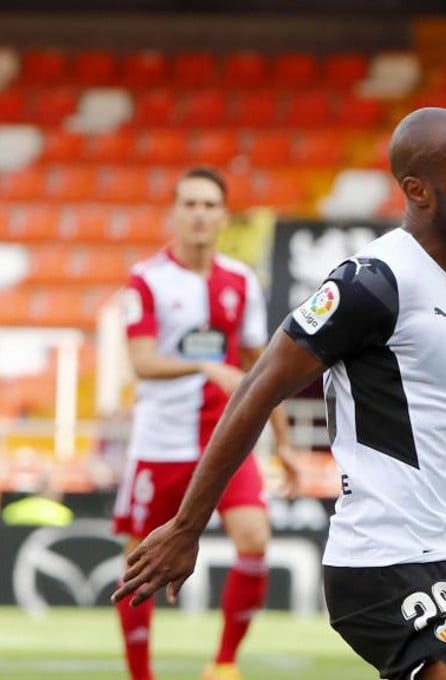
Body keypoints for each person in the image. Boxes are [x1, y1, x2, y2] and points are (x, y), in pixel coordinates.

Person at [112, 108, 446, 680]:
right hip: (386, 567)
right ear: (419, 191)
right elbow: (258, 385)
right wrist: (188, 526)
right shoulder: (373, 280)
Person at [111, 166, 301, 680]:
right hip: (161, 443)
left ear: (223, 216)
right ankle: (140, 674)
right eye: (190, 204)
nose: (199, 214)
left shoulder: (241, 282)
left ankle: (223, 665)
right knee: (139, 566)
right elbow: (143, 361)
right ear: (174, 213)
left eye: (209, 205)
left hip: (226, 440)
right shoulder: (146, 279)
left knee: (255, 537)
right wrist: (204, 366)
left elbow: (265, 369)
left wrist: (282, 443)